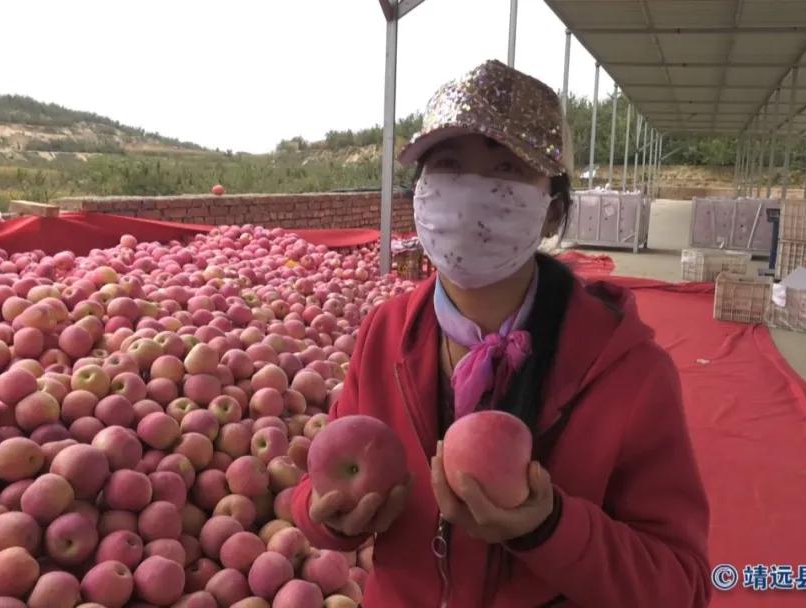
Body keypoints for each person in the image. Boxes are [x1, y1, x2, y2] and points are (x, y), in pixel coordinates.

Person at [292, 59, 711, 608]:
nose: (471, 194)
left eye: (507, 169)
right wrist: (328, 518)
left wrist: (550, 529)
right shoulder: (386, 333)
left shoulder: (629, 371)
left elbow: (680, 584)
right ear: (420, 193)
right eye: (448, 165)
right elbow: (325, 476)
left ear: (553, 212)